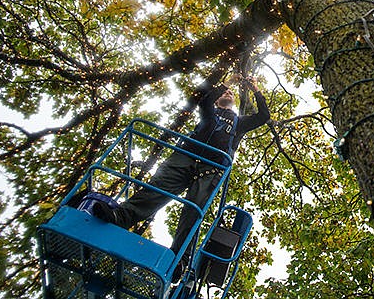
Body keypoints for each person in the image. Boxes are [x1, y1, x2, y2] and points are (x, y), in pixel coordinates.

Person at [92, 76, 269, 277]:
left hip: (212, 169)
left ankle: (179, 258)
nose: (228, 93)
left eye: (231, 94)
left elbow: (263, 115)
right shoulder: (209, 112)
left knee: (193, 212)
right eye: (224, 93)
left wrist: (254, 88)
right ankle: (120, 216)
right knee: (155, 189)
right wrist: (227, 82)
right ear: (217, 100)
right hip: (185, 157)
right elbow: (204, 100)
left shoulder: (240, 123)